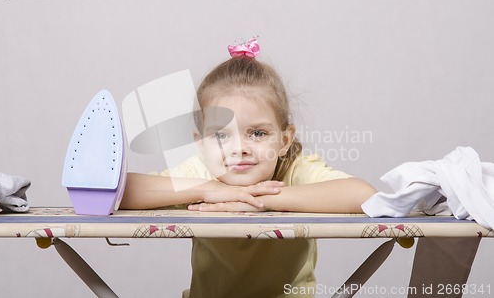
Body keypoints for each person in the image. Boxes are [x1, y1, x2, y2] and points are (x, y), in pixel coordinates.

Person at [120, 38, 376, 298]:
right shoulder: (203, 173)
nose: (239, 147)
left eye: (257, 133)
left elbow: (365, 195)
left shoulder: (295, 170)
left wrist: (261, 199)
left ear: (284, 141)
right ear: (201, 144)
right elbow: (119, 191)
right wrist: (209, 189)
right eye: (220, 136)